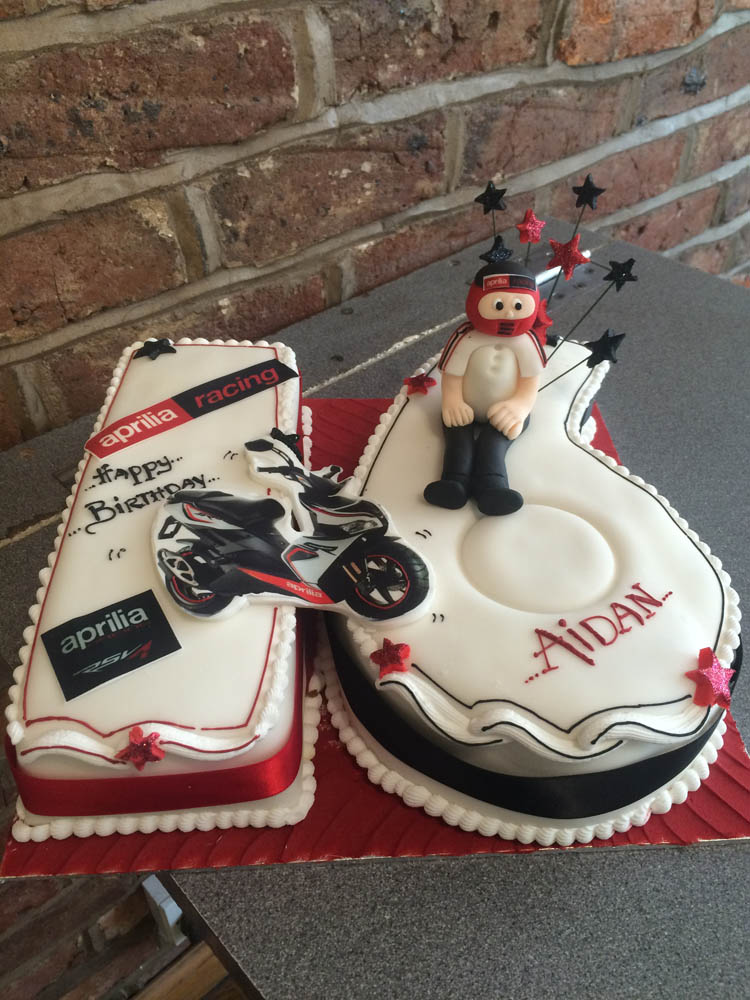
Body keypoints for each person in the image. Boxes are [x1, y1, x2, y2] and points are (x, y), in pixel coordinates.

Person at [424, 255, 548, 515]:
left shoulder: (527, 343)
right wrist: (453, 401)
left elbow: (530, 382)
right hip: (463, 406)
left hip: (508, 411)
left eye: (518, 306)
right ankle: (453, 484)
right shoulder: (466, 338)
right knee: (459, 443)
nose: (509, 314)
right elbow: (452, 376)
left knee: (492, 446)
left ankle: (493, 489)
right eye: (499, 305)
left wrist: (520, 406)